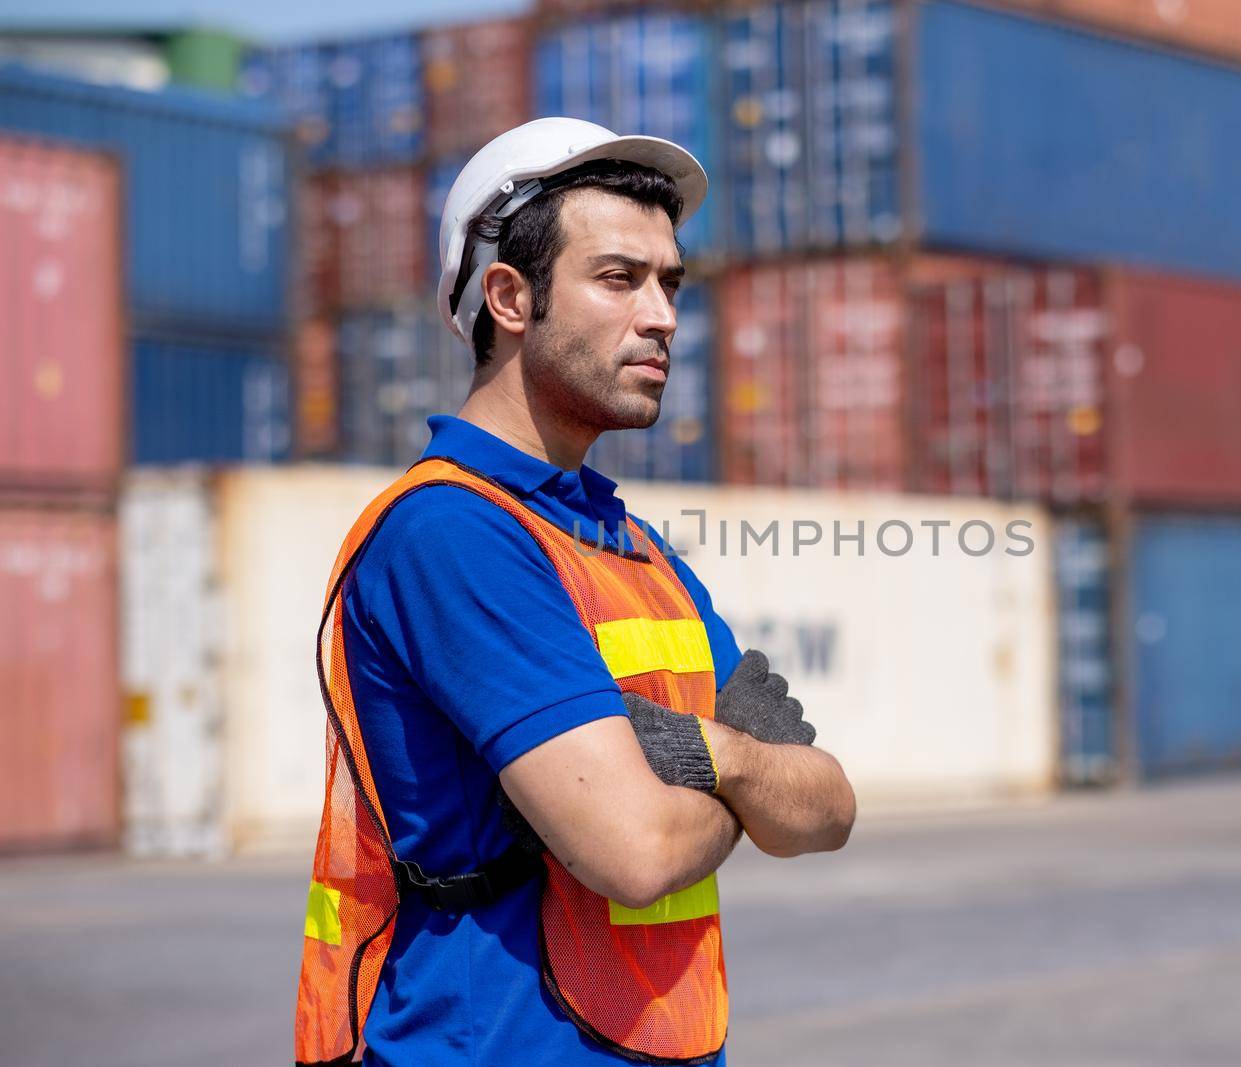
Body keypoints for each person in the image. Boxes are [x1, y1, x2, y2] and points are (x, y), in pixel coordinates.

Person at [294, 118, 856, 1067]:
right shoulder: (454, 534)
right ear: (510, 298)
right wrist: (753, 781)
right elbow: (633, 850)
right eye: (618, 278)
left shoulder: (632, 548)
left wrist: (710, 753)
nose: (664, 315)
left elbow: (830, 807)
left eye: (669, 282)